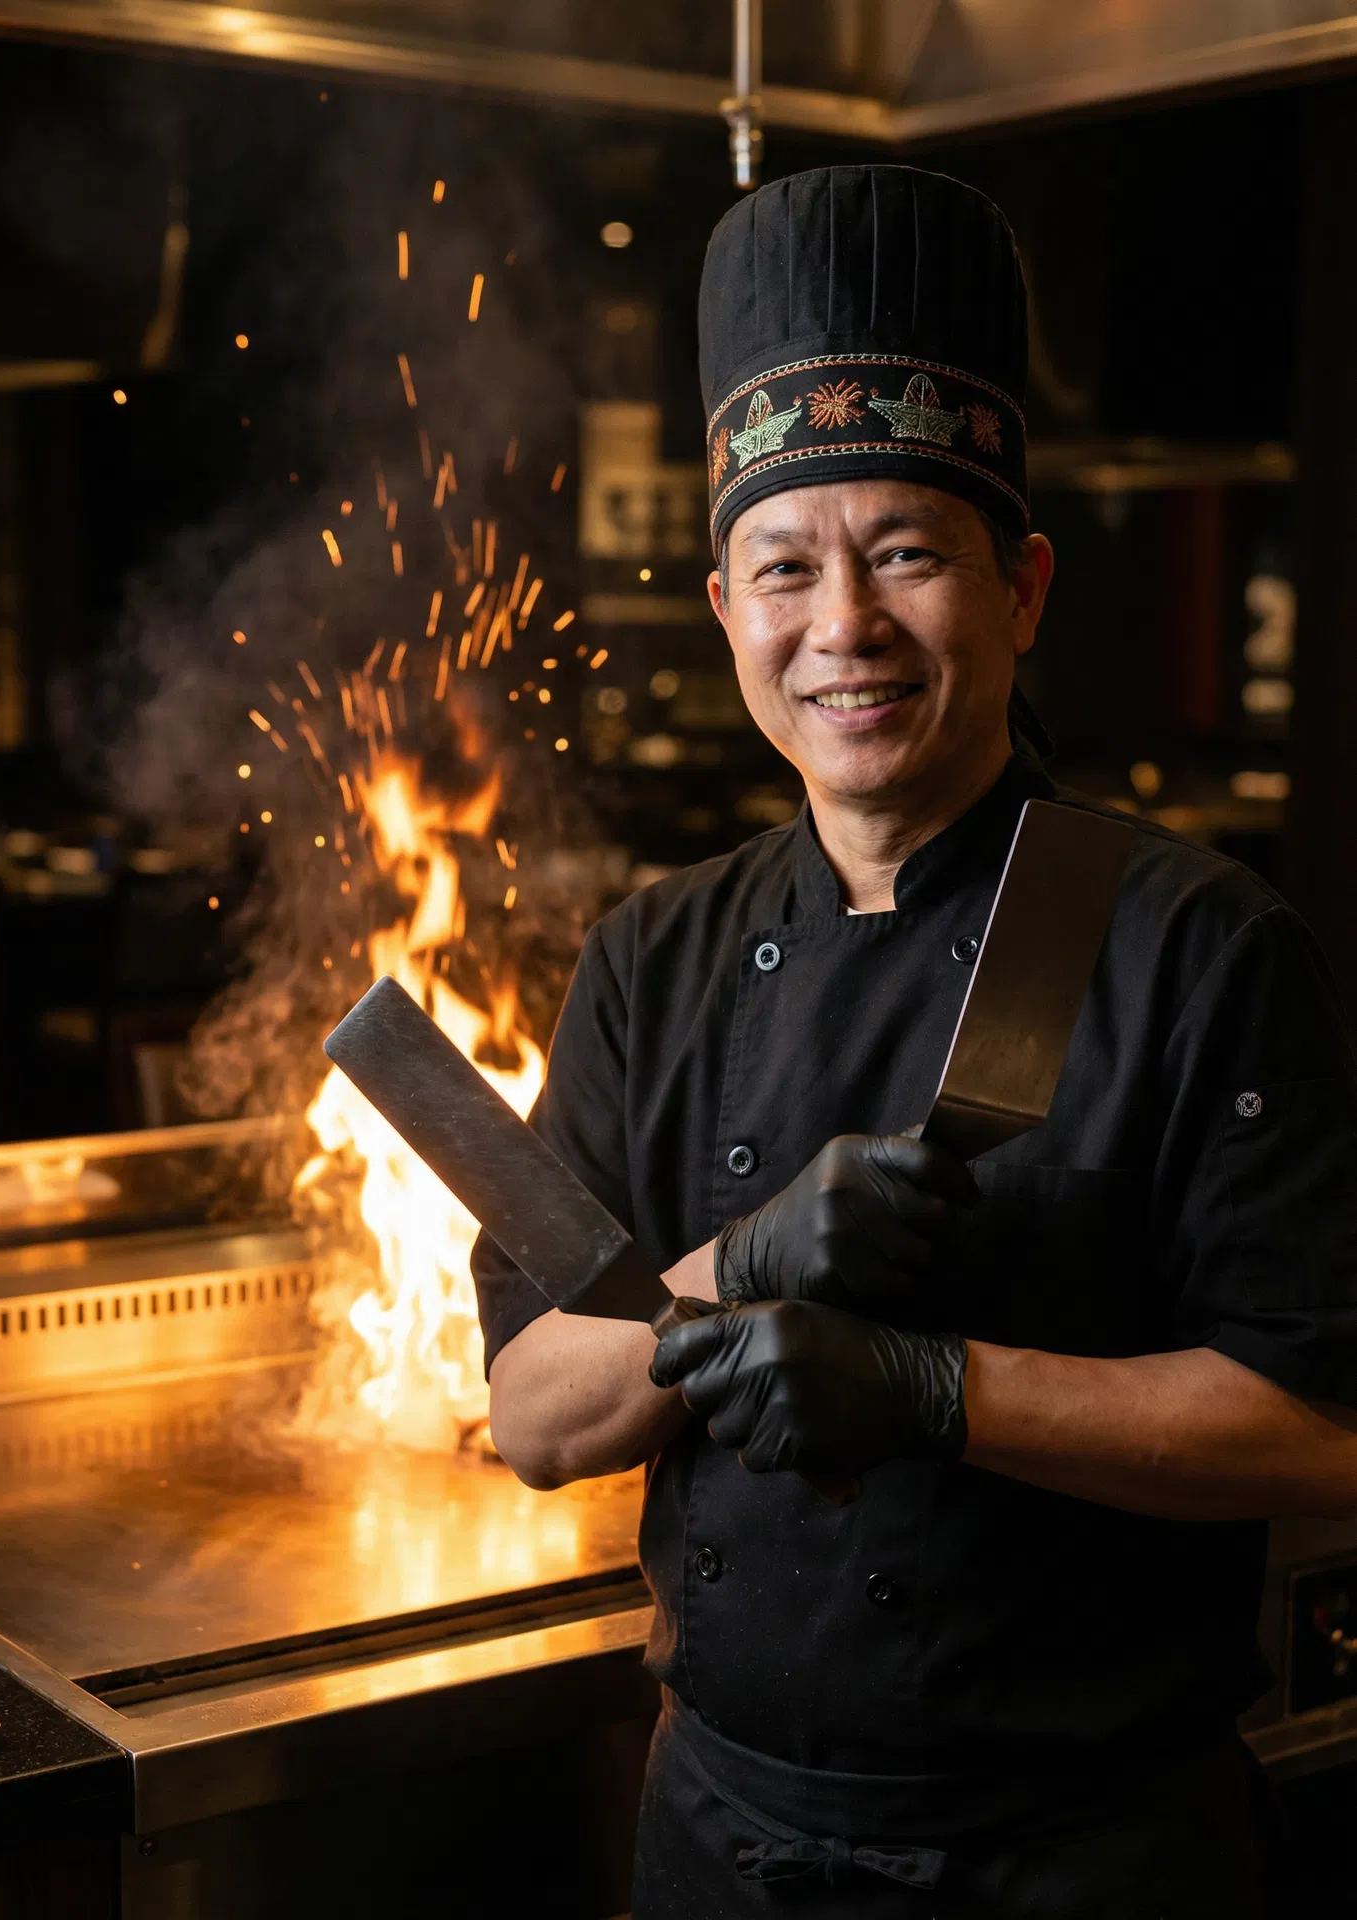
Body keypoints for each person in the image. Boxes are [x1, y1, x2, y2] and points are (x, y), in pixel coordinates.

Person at [473, 165, 1357, 1917]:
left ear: (1020, 587)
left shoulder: (1192, 943)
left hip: (1083, 1859)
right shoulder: (651, 957)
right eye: (784, 568)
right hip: (719, 1842)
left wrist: (937, 1393)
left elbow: (1326, 1430)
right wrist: (736, 1262)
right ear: (724, 609)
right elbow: (538, 1416)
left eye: (905, 554)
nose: (843, 628)